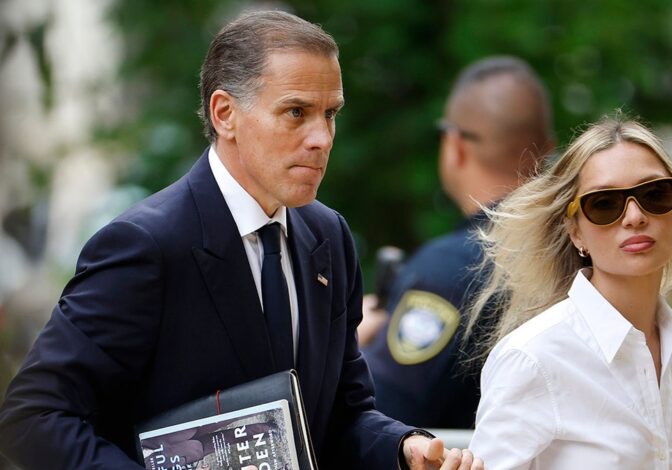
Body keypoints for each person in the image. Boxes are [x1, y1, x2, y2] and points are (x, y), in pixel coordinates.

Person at [0, 10, 483, 470]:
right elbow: (33, 417)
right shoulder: (146, 245)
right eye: (296, 112)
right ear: (225, 113)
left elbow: (341, 416)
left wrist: (404, 449)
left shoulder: (327, 237)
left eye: (330, 114)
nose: (322, 137)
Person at [466, 116, 672, 469]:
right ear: (576, 232)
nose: (635, 216)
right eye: (605, 203)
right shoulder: (533, 358)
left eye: (655, 194)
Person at [360, 56, 555, 429]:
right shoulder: (583, 257)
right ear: (546, 150)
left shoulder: (450, 269)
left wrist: (355, 348)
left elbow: (381, 412)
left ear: (455, 145)